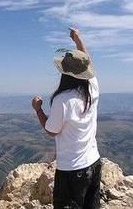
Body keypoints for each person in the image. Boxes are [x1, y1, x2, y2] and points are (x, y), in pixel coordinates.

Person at [32, 28, 101, 209]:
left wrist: (38, 110)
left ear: (65, 73)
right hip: (93, 163)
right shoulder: (92, 88)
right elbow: (88, 62)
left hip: (71, 170)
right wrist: (79, 41)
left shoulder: (63, 100)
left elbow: (51, 130)